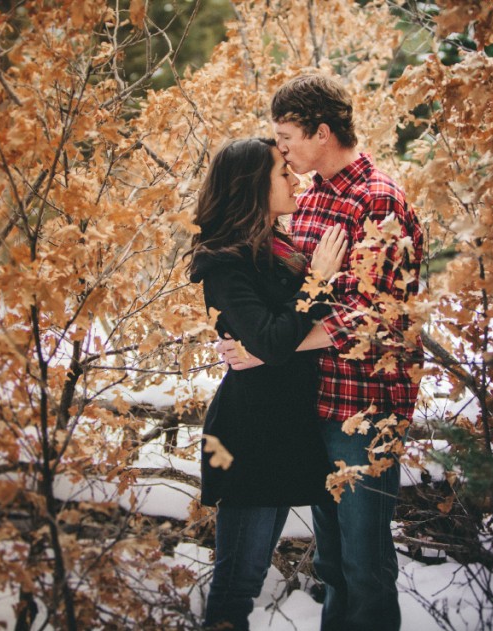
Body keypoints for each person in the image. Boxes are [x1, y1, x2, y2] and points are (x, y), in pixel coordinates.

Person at [218, 74, 424, 630]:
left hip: (362, 408)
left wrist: (266, 351)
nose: (280, 148)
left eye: (288, 136)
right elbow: (285, 294)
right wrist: (241, 326)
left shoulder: (379, 201)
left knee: (364, 564)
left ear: (324, 131)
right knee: (331, 564)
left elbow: (372, 316)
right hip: (312, 402)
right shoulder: (309, 199)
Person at [187, 137, 349, 630]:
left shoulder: (277, 248)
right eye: (283, 172)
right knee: (238, 587)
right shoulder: (225, 263)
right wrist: (317, 281)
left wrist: (272, 340)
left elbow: (279, 338)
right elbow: (277, 339)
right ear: (253, 187)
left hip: (283, 431)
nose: (295, 178)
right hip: (251, 437)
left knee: (245, 583)